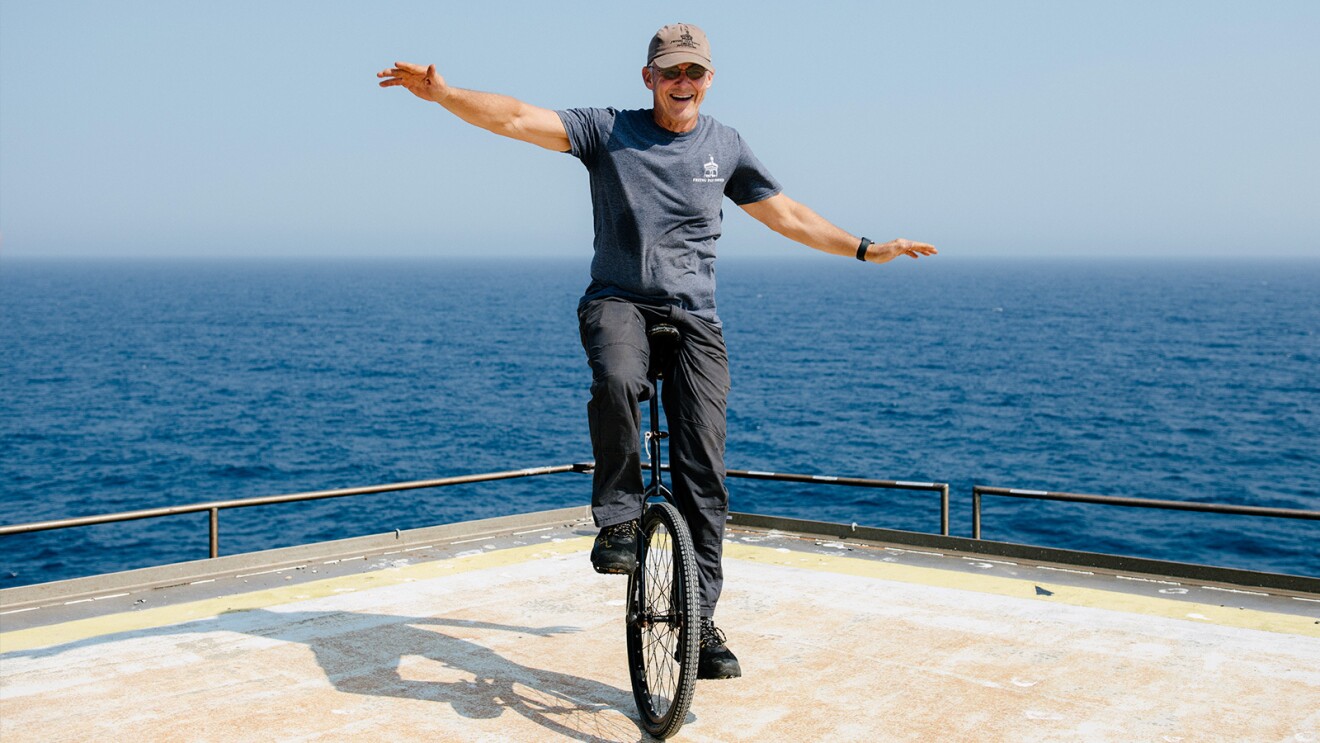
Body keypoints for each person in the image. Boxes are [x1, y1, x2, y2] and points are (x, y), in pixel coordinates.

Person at [378, 22, 936, 681]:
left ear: (709, 79)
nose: (682, 82)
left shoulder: (724, 145)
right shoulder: (608, 130)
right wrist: (446, 94)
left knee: (705, 477)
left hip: (695, 317)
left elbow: (788, 216)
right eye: (670, 71)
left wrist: (868, 248)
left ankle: (698, 619)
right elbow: (519, 118)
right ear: (649, 77)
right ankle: (619, 518)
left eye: (694, 72)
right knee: (617, 378)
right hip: (619, 300)